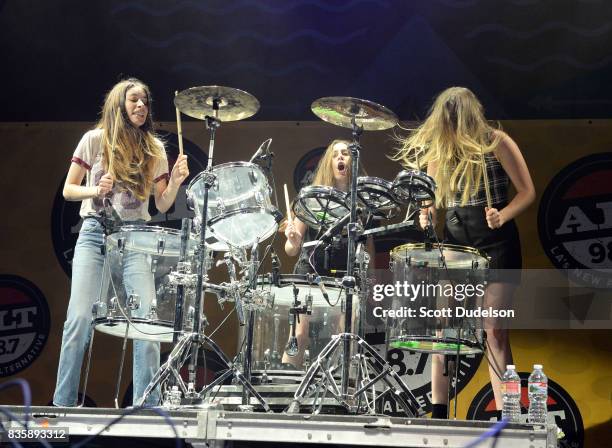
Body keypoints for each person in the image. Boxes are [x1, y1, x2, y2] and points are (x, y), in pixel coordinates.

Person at [392, 86, 535, 418]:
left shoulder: (496, 141)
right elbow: (429, 205)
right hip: (456, 245)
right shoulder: (439, 153)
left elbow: (527, 191)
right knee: (444, 330)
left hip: (496, 243)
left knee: (494, 330)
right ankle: (438, 413)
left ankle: (506, 415)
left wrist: (504, 214)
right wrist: (425, 214)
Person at [53, 78, 189, 407]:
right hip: (95, 232)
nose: (141, 106)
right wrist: (95, 191)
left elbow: (163, 204)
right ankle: (63, 404)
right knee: (80, 318)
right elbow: (69, 190)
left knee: (147, 321)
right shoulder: (94, 140)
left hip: (135, 239)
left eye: (145, 101)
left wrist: (176, 182)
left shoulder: (154, 148)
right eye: (134, 101)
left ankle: (147, 403)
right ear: (119, 105)